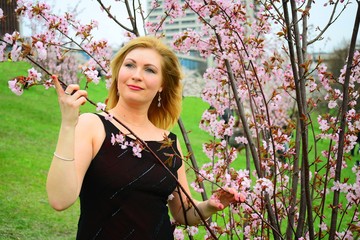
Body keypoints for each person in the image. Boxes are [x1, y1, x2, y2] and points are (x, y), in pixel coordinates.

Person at [47, 36, 244, 240]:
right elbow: (59, 200)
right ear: (118, 74)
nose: (137, 75)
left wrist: (209, 206)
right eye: (130, 65)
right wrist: (69, 125)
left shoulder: (169, 142)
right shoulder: (92, 126)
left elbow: (183, 213)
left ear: (162, 85)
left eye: (149, 70)